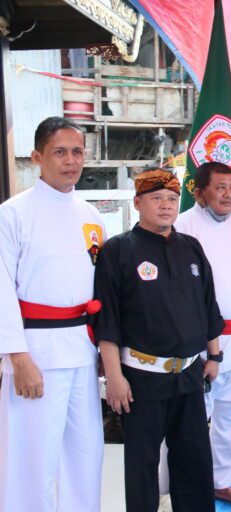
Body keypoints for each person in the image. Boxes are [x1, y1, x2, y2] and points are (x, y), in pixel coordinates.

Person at [94, 169, 224, 512]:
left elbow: (209, 304)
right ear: (138, 203)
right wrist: (114, 377)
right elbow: (107, 319)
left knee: (194, 459)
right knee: (142, 466)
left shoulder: (190, 247)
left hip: (190, 374)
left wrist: (214, 356)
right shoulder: (118, 251)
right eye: (156, 199)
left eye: (171, 199)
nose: (166, 206)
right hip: (141, 377)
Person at [0, 116, 105, 512]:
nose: (71, 161)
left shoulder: (91, 216)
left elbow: (99, 289)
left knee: (85, 453)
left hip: (81, 347)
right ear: (37, 157)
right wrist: (18, 356)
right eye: (60, 152)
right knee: (33, 459)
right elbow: (1, 289)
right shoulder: (12, 214)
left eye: (77, 151)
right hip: (35, 351)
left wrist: (101, 349)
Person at [174, 161, 231, 506]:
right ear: (199, 192)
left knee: (230, 414)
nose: (228, 195)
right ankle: (190, 487)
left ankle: (220, 479)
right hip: (203, 345)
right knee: (195, 420)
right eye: (220, 188)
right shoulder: (183, 227)